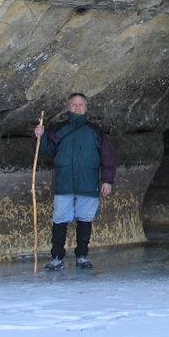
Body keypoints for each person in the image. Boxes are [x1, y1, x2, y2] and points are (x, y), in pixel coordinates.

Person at [34, 93, 115, 271]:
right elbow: (44, 150)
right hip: (64, 181)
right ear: (68, 107)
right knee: (60, 218)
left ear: (86, 108)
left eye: (81, 105)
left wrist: (107, 181)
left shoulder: (95, 130)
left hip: (88, 181)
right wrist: (39, 136)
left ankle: (82, 256)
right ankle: (57, 257)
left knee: (85, 218)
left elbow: (107, 157)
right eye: (74, 104)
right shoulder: (58, 129)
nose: (77, 108)